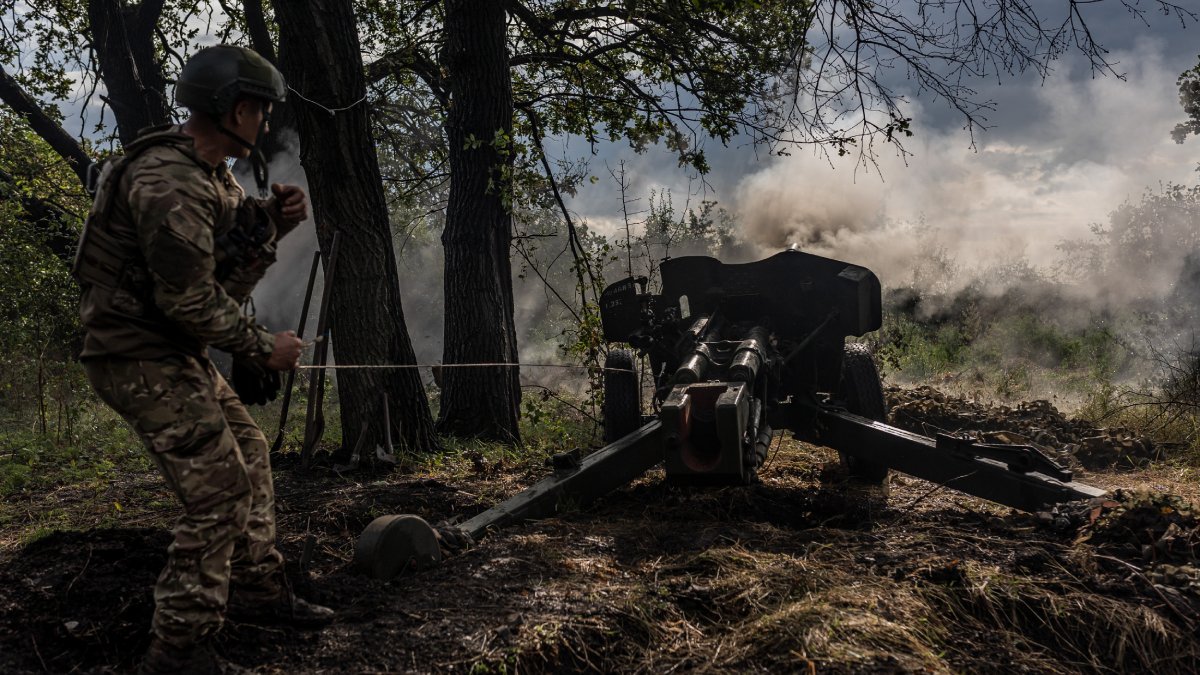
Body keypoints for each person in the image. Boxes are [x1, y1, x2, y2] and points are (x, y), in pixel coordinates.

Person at [73, 44, 333, 674]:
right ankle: (179, 651)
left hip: (170, 349)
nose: (266, 125)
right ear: (238, 109)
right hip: (137, 354)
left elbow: (220, 272)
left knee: (249, 453)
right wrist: (262, 347)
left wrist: (270, 224)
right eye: (262, 112)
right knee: (218, 493)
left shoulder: (210, 174)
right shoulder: (168, 182)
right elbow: (188, 302)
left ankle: (257, 588)